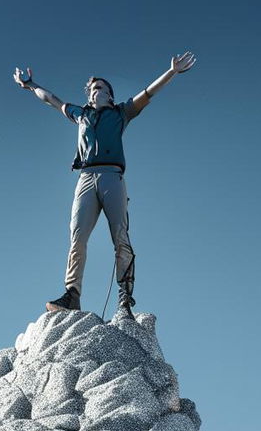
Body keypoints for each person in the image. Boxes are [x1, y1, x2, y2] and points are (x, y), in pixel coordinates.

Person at [13, 52, 196, 318]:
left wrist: (172, 72)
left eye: (100, 88)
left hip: (112, 177)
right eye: (91, 89)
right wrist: (30, 85)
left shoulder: (121, 113)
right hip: (86, 178)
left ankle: (125, 299)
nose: (94, 91)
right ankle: (72, 295)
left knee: (120, 236)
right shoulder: (80, 114)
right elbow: (52, 100)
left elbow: (148, 93)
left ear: (109, 95)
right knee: (77, 237)